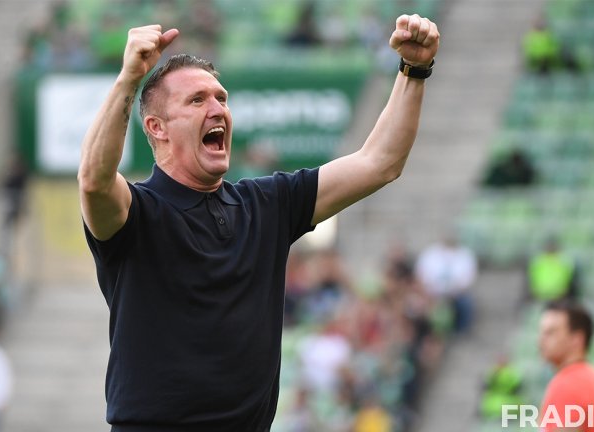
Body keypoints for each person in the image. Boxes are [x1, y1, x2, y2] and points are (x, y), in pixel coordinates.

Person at [78, 15, 439, 431]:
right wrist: (129, 79)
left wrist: (414, 69)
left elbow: (379, 162)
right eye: (197, 100)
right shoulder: (136, 213)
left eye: (222, 98)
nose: (218, 109)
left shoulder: (267, 204)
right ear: (157, 128)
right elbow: (94, 180)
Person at [538, 300, 594, 432]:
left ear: (577, 339)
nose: (541, 339)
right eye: (542, 332)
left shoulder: (568, 384)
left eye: (551, 332)